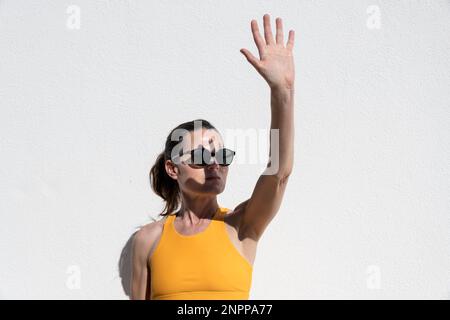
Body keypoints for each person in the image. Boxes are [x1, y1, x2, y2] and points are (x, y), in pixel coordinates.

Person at [131, 13, 295, 300]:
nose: (215, 163)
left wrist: (282, 91)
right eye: (201, 156)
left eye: (221, 154)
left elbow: (279, 173)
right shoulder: (148, 239)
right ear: (172, 168)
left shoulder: (242, 225)